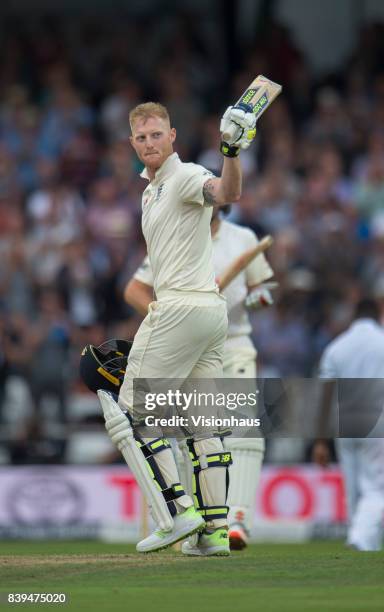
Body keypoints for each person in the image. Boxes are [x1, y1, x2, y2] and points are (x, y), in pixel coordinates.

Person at [86, 101, 257, 555]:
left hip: (181, 307)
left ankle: (176, 512)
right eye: (141, 138)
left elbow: (225, 193)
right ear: (132, 143)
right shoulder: (150, 190)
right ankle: (215, 533)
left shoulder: (183, 176)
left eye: (156, 134)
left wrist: (231, 151)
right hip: (209, 313)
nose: (149, 143)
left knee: (130, 408)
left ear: (172, 136)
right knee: (202, 424)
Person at [124, 207, 276, 551]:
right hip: (186, 345)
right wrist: (169, 315)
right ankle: (200, 524)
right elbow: (135, 289)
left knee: (243, 428)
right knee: (193, 431)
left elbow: (263, 287)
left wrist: (259, 297)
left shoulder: (243, 238)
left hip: (233, 342)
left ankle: (235, 519)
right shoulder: (174, 237)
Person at [313, 298, 384, 551]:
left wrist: (320, 440)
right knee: (376, 487)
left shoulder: (337, 347)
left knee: (352, 485)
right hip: (377, 421)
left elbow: (325, 396)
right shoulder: (381, 342)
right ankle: (361, 540)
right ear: (379, 313)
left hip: (344, 423)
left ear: (354, 315)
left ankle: (360, 539)